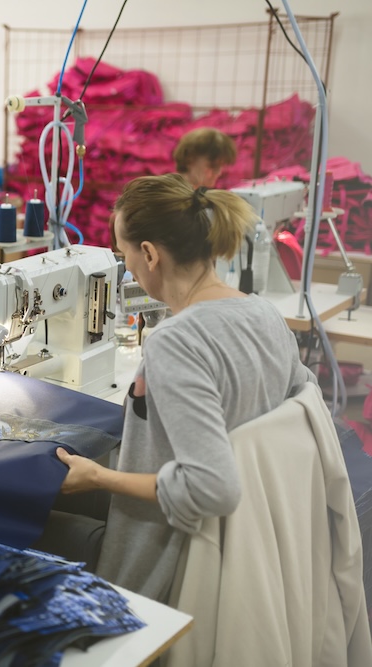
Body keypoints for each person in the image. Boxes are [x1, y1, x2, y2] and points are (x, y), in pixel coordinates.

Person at [54, 173, 315, 603]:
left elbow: (212, 486)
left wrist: (99, 476)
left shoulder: (177, 343)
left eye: (125, 256)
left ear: (150, 255)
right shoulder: (266, 316)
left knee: (0, 525)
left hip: (164, 562)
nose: (128, 268)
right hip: (249, 547)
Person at [173, 127, 237, 189]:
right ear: (190, 158)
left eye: (221, 166)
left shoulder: (201, 195)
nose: (219, 173)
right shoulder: (168, 194)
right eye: (213, 166)